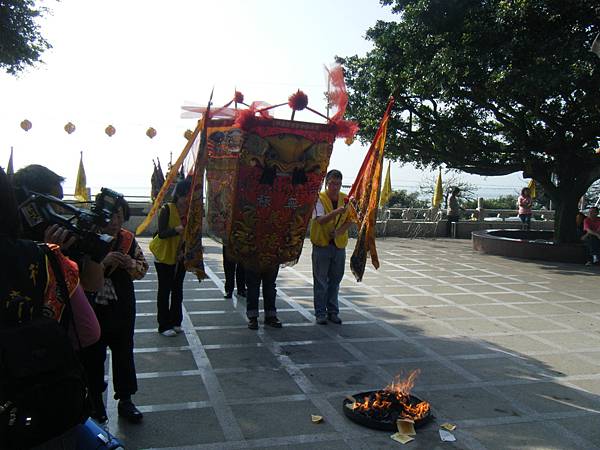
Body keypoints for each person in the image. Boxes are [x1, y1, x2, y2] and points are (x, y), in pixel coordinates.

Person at [0, 167, 100, 449]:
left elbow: (94, 280)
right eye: (52, 204)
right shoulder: (43, 257)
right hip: (29, 403)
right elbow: (89, 331)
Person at [81, 192, 148, 425]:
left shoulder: (128, 240)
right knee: (92, 354)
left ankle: (126, 400)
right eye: (111, 215)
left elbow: (142, 268)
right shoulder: (87, 238)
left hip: (122, 304)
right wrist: (102, 262)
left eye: (120, 215)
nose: (115, 220)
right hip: (92, 305)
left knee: (123, 350)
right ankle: (95, 401)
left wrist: (129, 263)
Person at [12, 164, 104, 292]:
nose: (60, 208)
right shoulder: (11, 243)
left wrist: (93, 252)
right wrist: (47, 256)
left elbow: (92, 285)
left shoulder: (63, 238)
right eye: (54, 202)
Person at [310, 169, 352, 325]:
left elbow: (350, 219)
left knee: (335, 280)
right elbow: (320, 220)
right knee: (321, 281)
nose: (335, 187)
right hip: (322, 245)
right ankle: (320, 312)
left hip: (339, 245)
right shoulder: (319, 198)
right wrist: (336, 212)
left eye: (338, 183)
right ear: (327, 183)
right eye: (333, 183)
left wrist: (340, 231)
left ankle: (333, 311)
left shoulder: (345, 199)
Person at [149, 179, 191, 337]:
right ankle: (164, 324)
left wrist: (185, 251)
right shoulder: (167, 209)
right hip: (164, 255)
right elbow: (161, 233)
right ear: (179, 194)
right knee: (165, 289)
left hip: (180, 256)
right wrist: (176, 230)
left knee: (177, 289)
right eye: (186, 195)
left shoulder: (189, 212)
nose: (188, 199)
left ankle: (176, 321)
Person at [245, 264, 282, 330]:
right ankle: (252, 316)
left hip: (272, 258)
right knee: (253, 287)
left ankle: (270, 315)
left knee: (270, 287)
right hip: (252, 258)